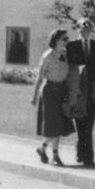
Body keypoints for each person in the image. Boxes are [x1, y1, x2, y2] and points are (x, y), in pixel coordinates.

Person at [64, 18, 95, 166]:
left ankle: (81, 152)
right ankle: (88, 158)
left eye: (89, 29)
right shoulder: (71, 46)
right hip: (78, 92)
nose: (86, 31)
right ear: (78, 29)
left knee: (88, 124)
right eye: (83, 28)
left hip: (93, 92)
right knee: (81, 123)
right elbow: (68, 68)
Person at [30, 30, 73, 166]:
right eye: (63, 39)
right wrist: (35, 96)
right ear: (55, 40)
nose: (65, 42)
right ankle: (55, 155)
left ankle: (43, 149)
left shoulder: (66, 55)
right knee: (52, 124)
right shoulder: (47, 56)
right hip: (49, 91)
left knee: (58, 124)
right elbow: (40, 77)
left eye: (67, 39)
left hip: (61, 90)